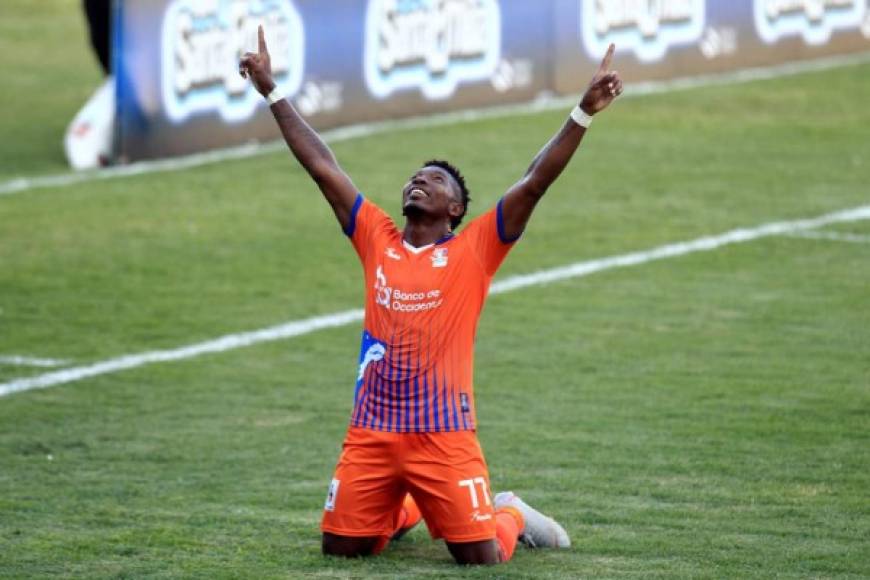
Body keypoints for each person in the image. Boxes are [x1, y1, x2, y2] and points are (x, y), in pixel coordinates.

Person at [240, 26, 622, 566]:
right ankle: (405, 508)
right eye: (416, 177)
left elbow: (535, 180)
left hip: (443, 433)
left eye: (436, 181)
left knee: (481, 557)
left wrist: (580, 113)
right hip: (372, 429)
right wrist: (272, 93)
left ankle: (509, 510)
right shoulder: (376, 237)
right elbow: (322, 167)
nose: (420, 181)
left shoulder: (476, 249)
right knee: (342, 549)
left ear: (455, 210)